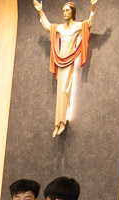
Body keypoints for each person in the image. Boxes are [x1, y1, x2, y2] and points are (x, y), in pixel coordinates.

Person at [33, 0, 98, 137]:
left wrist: (93, 7)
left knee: (64, 91)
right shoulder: (60, 28)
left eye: (67, 10)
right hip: (60, 61)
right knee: (60, 93)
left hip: (69, 61)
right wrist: (40, 11)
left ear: (72, 12)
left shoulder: (78, 26)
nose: (65, 13)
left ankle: (62, 122)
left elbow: (90, 23)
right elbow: (48, 26)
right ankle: (57, 123)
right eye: (63, 10)